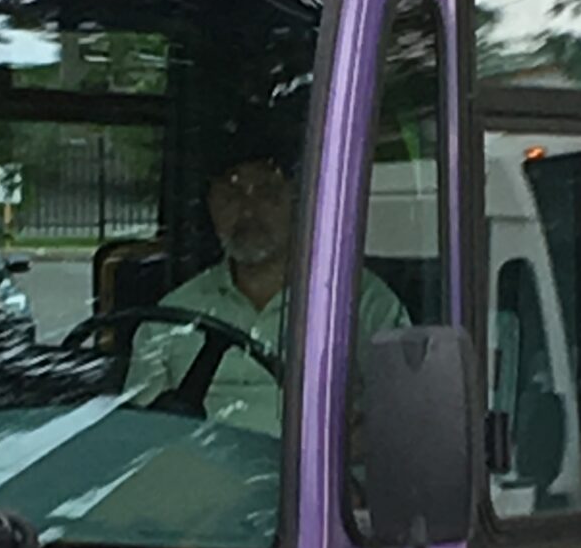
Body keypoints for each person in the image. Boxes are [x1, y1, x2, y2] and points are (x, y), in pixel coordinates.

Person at [124, 155, 406, 435]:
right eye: (231, 195)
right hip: (198, 475)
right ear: (211, 206)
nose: (248, 211)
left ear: (298, 201)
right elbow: (140, 434)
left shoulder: (362, 302)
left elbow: (402, 420)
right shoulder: (172, 314)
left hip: (312, 477)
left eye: (268, 193)